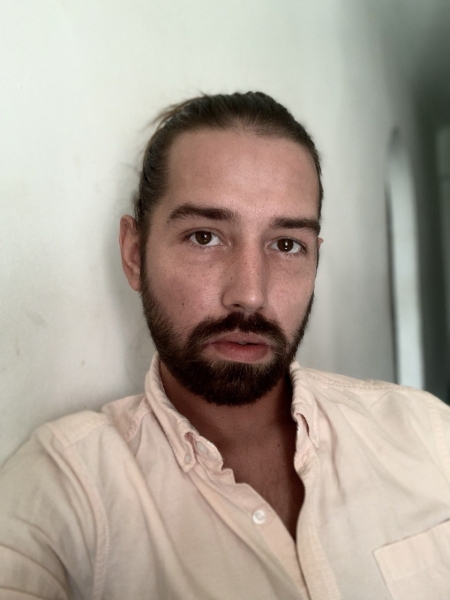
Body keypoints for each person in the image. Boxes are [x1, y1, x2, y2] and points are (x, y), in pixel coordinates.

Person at [0, 92, 449, 600]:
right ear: (134, 254)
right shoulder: (66, 490)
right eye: (204, 237)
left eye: (287, 244)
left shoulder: (428, 434)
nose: (250, 294)